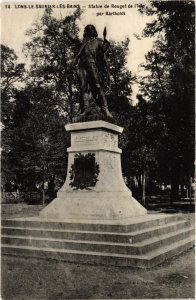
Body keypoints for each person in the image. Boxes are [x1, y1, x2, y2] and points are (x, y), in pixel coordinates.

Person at [63, 24, 113, 118]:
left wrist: (106, 44)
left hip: (92, 65)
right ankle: (86, 109)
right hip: (82, 65)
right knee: (83, 87)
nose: (89, 30)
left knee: (97, 86)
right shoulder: (83, 42)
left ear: (94, 31)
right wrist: (65, 30)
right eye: (87, 29)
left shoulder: (98, 41)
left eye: (91, 29)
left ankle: (105, 109)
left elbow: (105, 50)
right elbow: (74, 39)